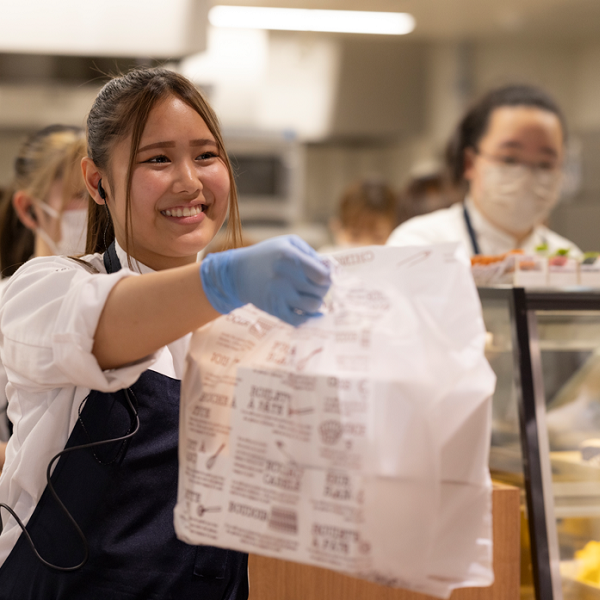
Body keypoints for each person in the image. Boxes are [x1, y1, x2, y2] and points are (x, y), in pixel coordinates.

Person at [0, 68, 331, 599]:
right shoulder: (46, 287)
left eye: (206, 155)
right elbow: (103, 323)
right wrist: (228, 279)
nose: (189, 182)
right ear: (96, 181)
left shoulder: (255, 323)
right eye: (158, 159)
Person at [387, 84, 582, 257]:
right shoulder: (420, 246)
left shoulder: (569, 259)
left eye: (545, 164)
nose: (527, 176)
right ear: (470, 163)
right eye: (510, 159)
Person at [0, 125, 89, 471]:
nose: (95, 210)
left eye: (100, 193)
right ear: (29, 210)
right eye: (78, 196)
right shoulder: (7, 305)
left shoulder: (121, 300)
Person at [319, 178, 399, 253]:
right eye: (355, 235)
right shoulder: (322, 261)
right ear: (337, 228)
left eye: (378, 237)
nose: (365, 246)